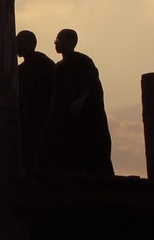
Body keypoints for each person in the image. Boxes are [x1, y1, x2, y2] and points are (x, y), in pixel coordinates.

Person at [37, 28, 114, 175]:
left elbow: (92, 85)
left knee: (87, 146)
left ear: (71, 42)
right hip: (62, 114)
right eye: (55, 41)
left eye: (60, 41)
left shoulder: (82, 61)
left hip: (83, 114)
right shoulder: (58, 67)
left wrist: (81, 101)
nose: (56, 44)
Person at [15, 30, 54, 169]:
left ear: (32, 44)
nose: (17, 46)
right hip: (25, 117)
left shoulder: (41, 62)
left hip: (38, 116)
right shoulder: (19, 69)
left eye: (20, 43)